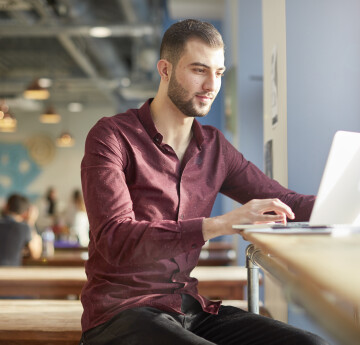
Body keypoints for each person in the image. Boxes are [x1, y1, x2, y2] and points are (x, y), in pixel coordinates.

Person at [79, 19, 328, 345]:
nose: (211, 84)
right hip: (119, 313)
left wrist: (343, 206)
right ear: (165, 70)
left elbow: (286, 203)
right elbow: (116, 239)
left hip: (188, 308)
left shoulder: (215, 148)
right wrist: (219, 225)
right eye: (199, 70)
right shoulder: (111, 136)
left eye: (219, 73)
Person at [0, 193, 42, 266]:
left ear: (7, 206)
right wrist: (31, 221)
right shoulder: (24, 228)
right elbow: (36, 254)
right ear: (25, 213)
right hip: (11, 274)